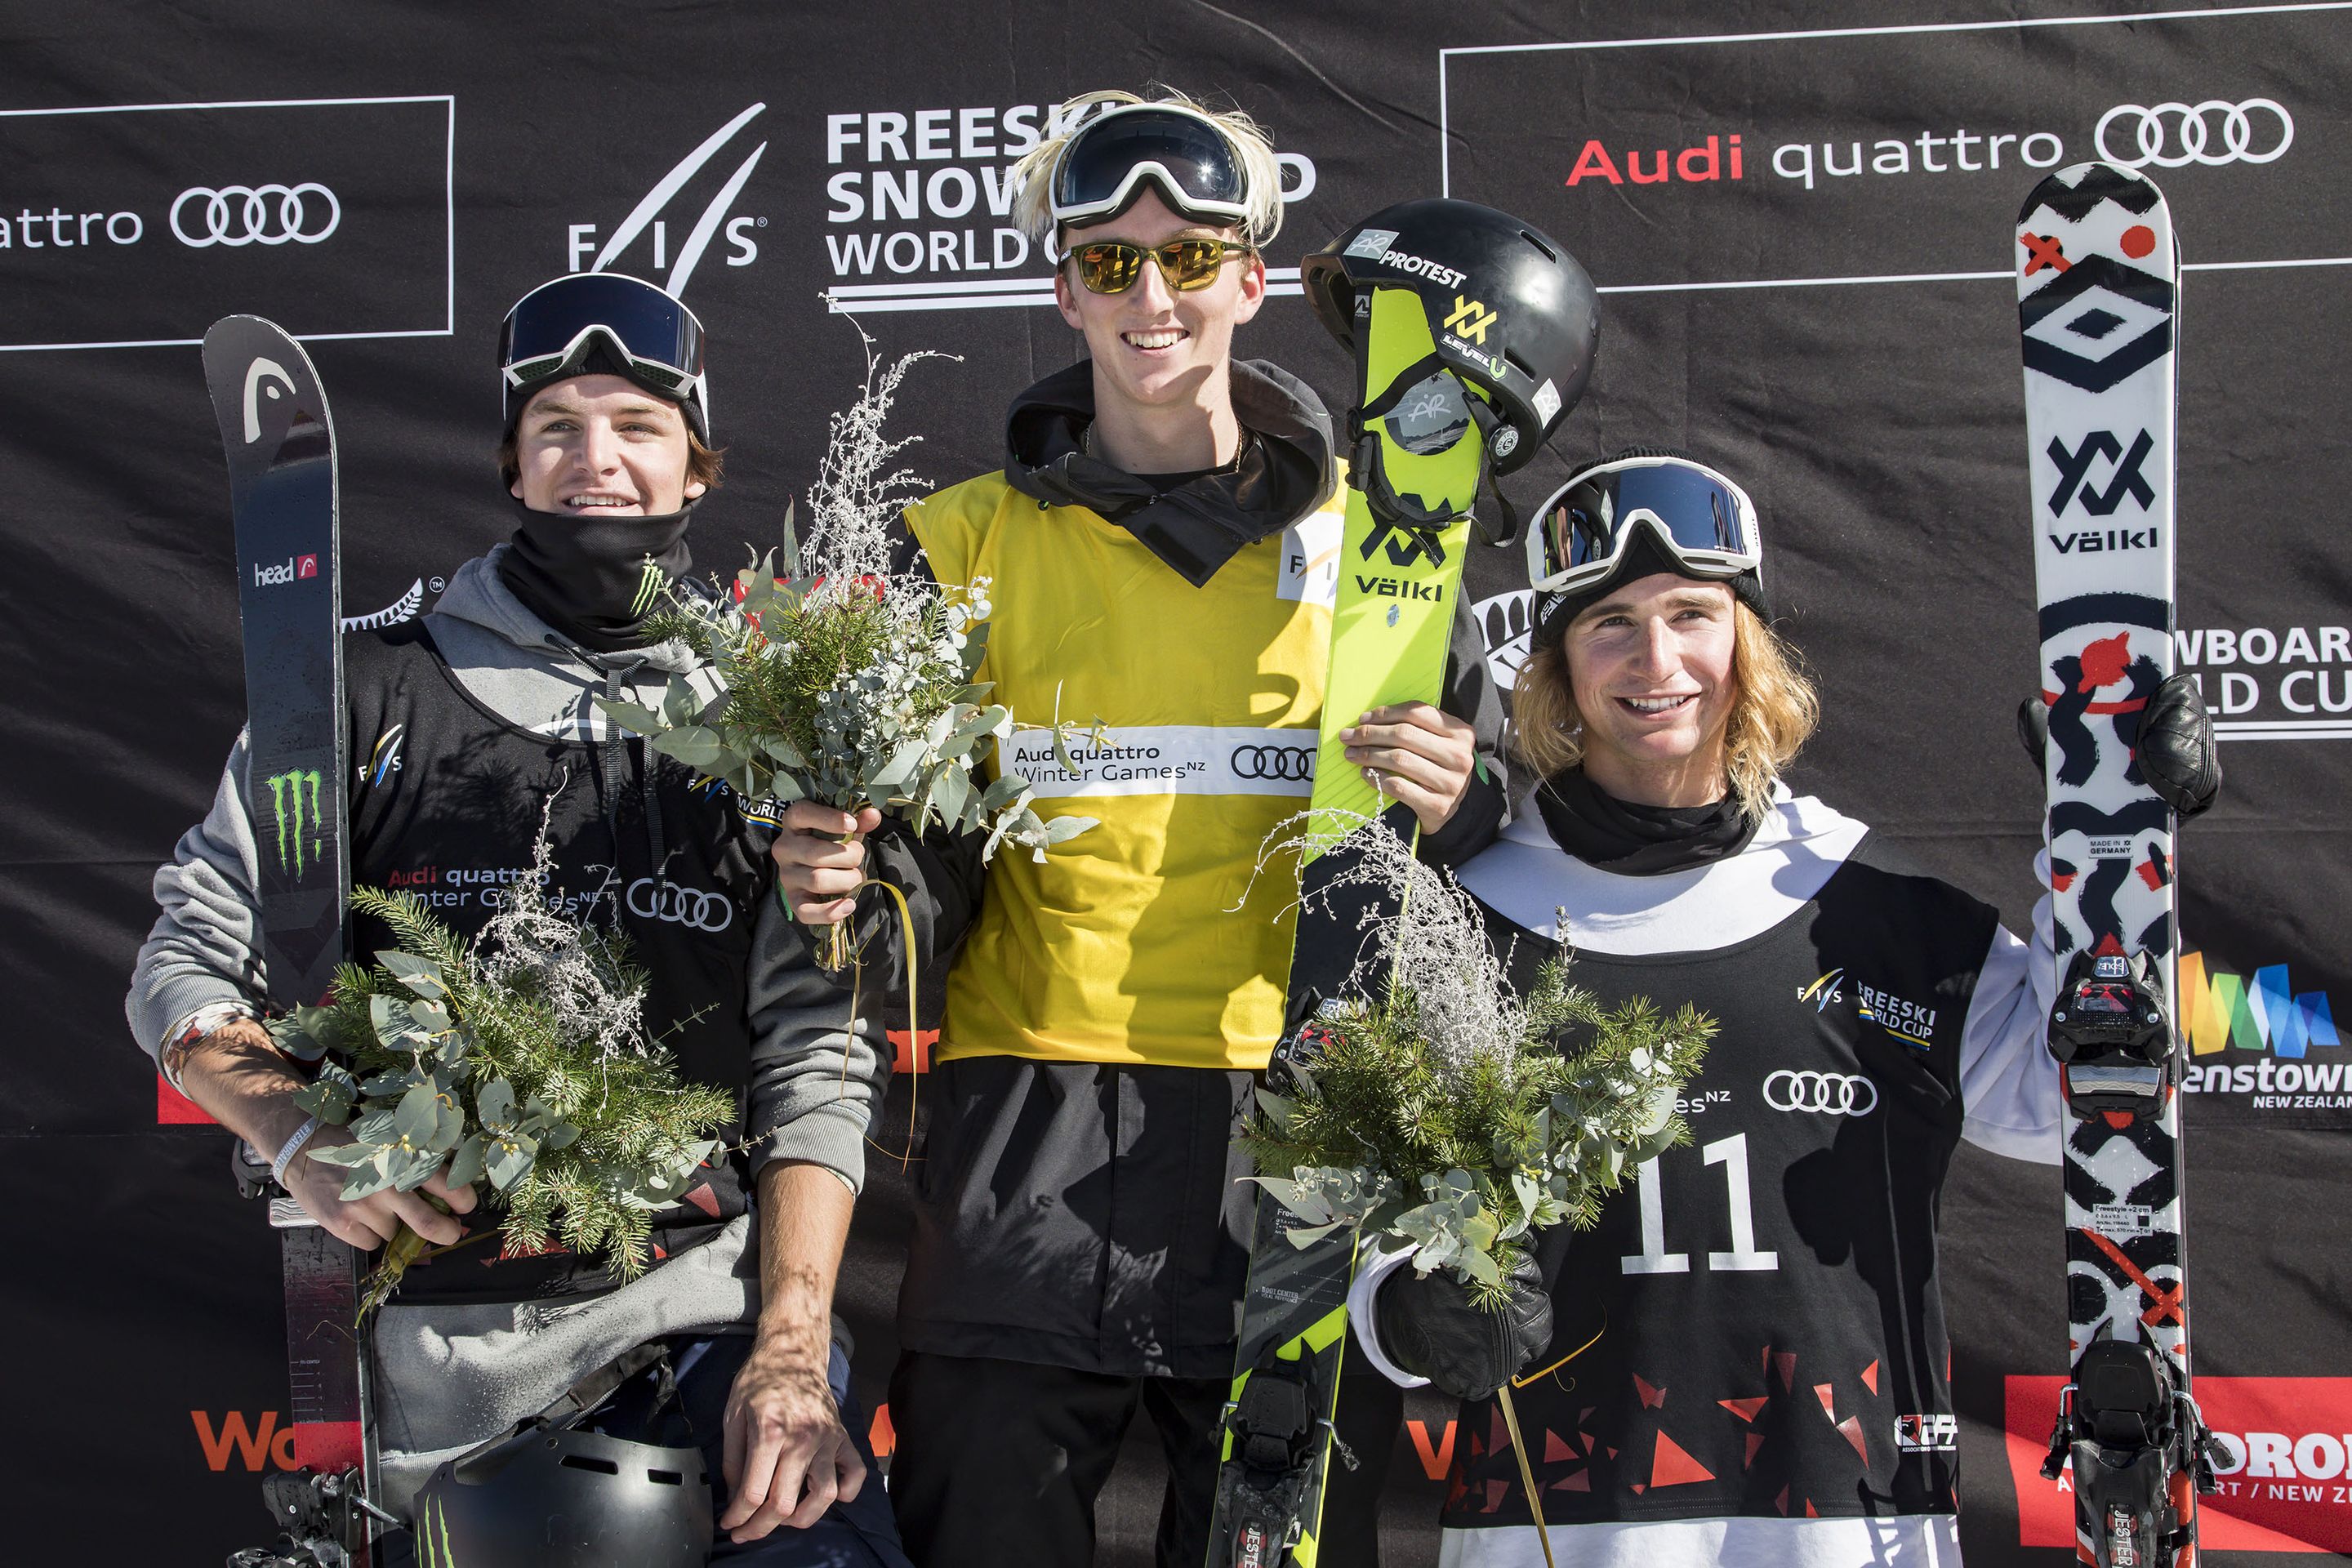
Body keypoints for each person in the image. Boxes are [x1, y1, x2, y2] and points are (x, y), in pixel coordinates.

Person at [770, 91, 1512, 1567]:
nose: (1152, 297)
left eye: (1192, 259)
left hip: (1289, 1123)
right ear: (1064, 289)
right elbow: (904, 858)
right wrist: (843, 868)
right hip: (1024, 1124)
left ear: (1251, 280)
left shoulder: (1385, 550)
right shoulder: (955, 545)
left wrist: (1460, 792)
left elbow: (1481, 844)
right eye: (1110, 264)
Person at [128, 271, 915, 1565]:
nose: (594, 461)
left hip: (696, 1318)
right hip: (439, 1346)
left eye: (637, 428)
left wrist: (788, 1353)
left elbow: (815, 1061)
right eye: (556, 427)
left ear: (698, 469)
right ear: (511, 461)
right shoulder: (366, 691)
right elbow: (189, 960)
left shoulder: (770, 723)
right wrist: (289, 1128)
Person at [1348, 448, 2220, 1566]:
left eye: (1692, 615)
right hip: (1555, 1529)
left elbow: (2075, 1117)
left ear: (1746, 644)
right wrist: (1414, 1310)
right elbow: (1365, 1244)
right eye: (1609, 622)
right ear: (1557, 665)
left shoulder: (1874, 904)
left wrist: (2111, 850)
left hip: (1858, 1521)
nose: (1655, 659)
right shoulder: (1466, 919)